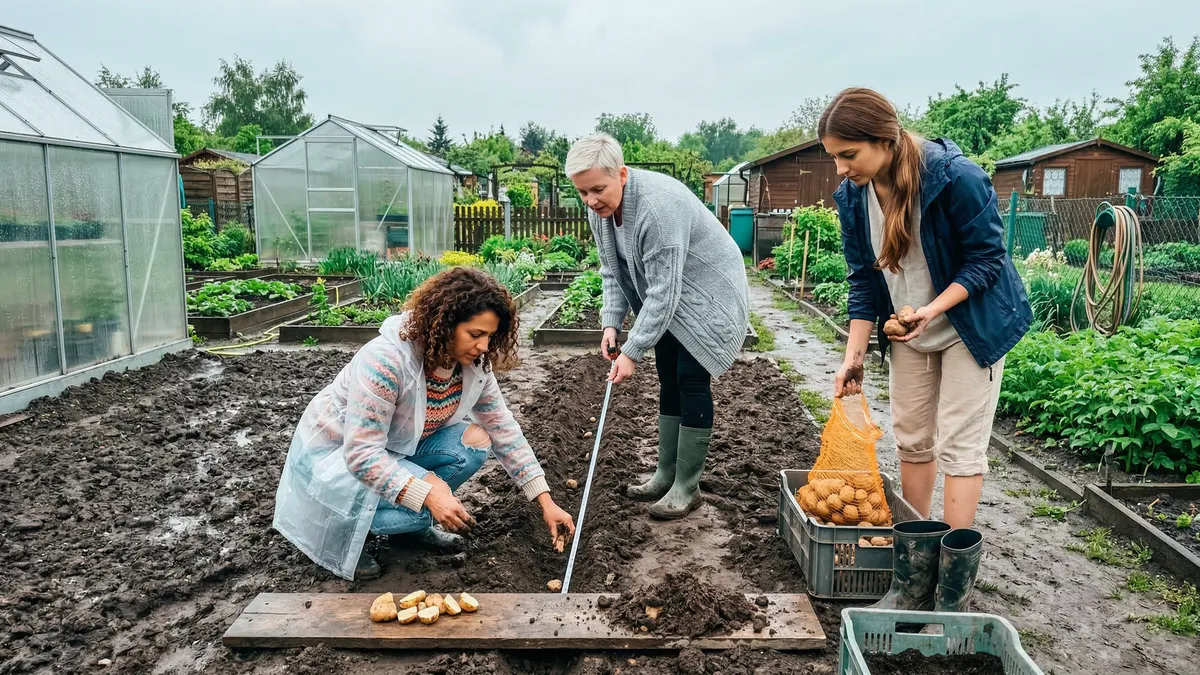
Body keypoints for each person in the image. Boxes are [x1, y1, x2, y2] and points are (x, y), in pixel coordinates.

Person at [272, 266, 576, 581]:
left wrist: (545, 500)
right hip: (337, 458)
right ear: (444, 325)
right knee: (429, 492)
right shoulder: (386, 362)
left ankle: (407, 530)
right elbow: (361, 454)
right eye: (476, 334)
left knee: (472, 444)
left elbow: (504, 429)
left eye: (490, 336)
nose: (485, 347)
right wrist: (427, 493)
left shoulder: (473, 365)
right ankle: (348, 530)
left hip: (396, 449)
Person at [822, 87, 1032, 531]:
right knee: (913, 439)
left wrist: (932, 310)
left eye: (849, 154)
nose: (841, 168)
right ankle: (914, 548)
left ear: (885, 140)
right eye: (834, 157)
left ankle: (952, 570)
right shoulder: (853, 198)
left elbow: (987, 260)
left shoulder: (956, 179)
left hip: (969, 327)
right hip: (909, 332)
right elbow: (863, 280)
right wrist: (852, 361)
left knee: (960, 447)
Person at [566, 134, 750, 520]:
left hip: (707, 295)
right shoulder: (599, 210)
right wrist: (611, 324)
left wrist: (632, 351)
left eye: (598, 189)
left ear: (622, 173)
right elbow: (612, 270)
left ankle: (688, 486)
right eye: (582, 192)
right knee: (669, 376)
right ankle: (665, 474)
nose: (591, 200)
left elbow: (665, 294)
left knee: (690, 379)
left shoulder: (657, 209)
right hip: (670, 294)